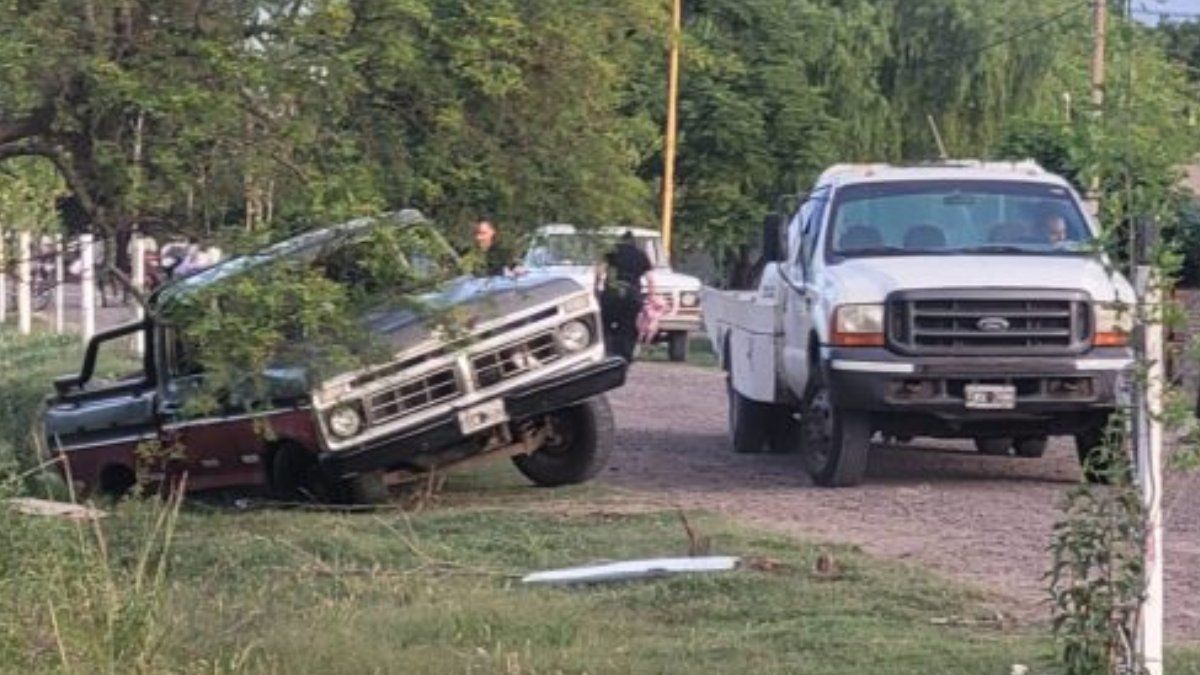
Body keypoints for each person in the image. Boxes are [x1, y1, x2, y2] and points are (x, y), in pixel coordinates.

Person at [599, 230, 655, 362]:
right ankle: (626, 355)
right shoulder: (641, 255)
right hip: (632, 294)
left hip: (612, 292)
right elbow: (650, 279)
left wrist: (597, 289)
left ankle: (608, 351)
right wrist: (651, 296)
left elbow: (600, 272)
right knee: (629, 325)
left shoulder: (611, 252)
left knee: (606, 323)